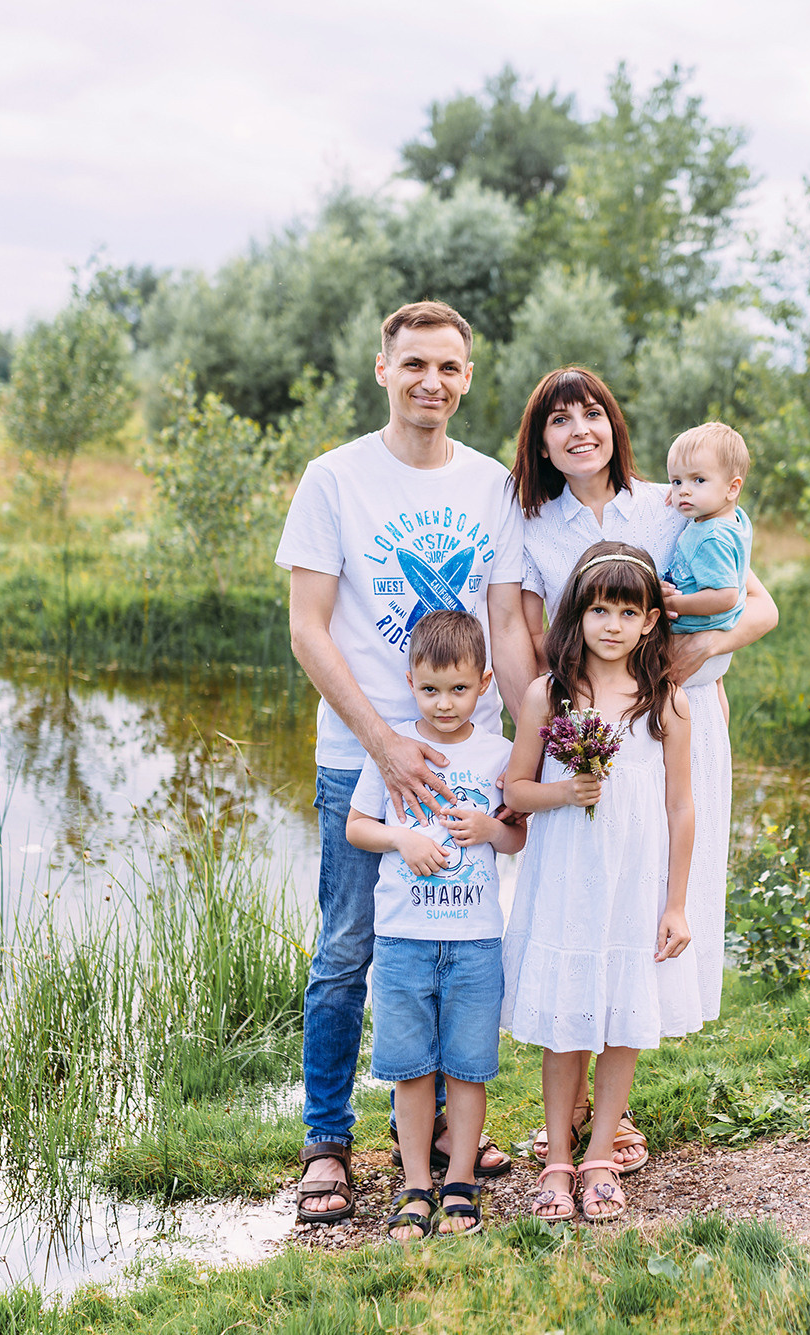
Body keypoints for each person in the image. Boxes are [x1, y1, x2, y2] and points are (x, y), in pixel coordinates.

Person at [275, 300, 536, 1224]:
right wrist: (384, 743)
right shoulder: (335, 479)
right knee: (349, 947)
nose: (433, 381)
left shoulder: (495, 486)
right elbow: (308, 630)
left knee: (454, 943)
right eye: (415, 363)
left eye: (450, 368)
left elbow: (504, 623)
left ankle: (430, 1135)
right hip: (363, 752)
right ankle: (327, 1141)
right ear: (382, 368)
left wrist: (531, 735)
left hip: (468, 758)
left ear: (468, 379)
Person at [508, 367, 778, 1170]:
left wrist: (703, 649)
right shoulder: (531, 525)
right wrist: (547, 725)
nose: (580, 429)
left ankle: (612, 1115)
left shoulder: (675, 500)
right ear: (541, 440)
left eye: (593, 412)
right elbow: (527, 632)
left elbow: (753, 603)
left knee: (651, 904)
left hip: (669, 723)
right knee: (577, 907)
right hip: (578, 733)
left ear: (616, 424)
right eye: (560, 420)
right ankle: (576, 1111)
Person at [501, 542, 694, 1224]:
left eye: (626, 610)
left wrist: (675, 903)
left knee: (620, 1014)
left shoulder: (663, 701)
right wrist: (566, 791)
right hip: (569, 880)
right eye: (598, 608)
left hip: (634, 884)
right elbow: (517, 788)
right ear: (577, 615)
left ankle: (601, 1152)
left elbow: (680, 807)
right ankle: (557, 1154)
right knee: (567, 1016)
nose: (611, 623)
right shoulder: (548, 692)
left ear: (648, 622)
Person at [344, 610, 524, 1241]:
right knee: (412, 1068)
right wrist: (402, 840)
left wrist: (489, 830)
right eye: (429, 689)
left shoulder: (498, 752)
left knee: (468, 1068)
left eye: (459, 689)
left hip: (475, 940)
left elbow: (516, 837)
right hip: (403, 941)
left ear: (485, 681)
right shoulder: (393, 747)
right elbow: (356, 826)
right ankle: (417, 1184)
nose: (444, 704)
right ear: (410, 680)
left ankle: (461, 1183)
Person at [659, 422, 754, 698]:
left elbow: (725, 596)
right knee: (713, 692)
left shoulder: (709, 536)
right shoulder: (734, 519)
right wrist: (689, 493)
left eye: (698, 480)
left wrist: (674, 603)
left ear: (732, 488)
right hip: (714, 635)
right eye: (676, 481)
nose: (684, 491)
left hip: (688, 635)